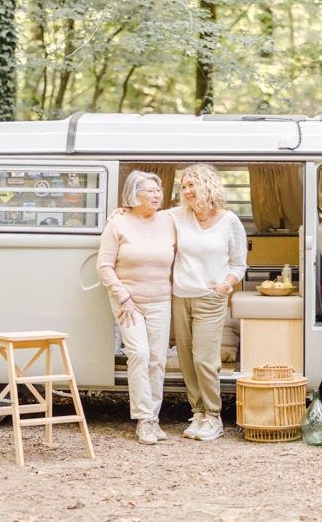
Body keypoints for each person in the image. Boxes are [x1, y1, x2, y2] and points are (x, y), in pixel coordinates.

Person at [96, 171, 176, 445]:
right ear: (134, 194)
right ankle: (144, 420)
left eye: (159, 191)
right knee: (139, 353)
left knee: (158, 359)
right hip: (127, 301)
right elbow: (104, 266)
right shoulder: (118, 223)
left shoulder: (169, 220)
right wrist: (123, 297)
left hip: (160, 300)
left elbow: (201, 209)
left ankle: (153, 418)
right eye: (151, 191)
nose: (157, 195)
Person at [170, 164, 247, 442]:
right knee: (187, 360)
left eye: (192, 184)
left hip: (211, 298)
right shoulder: (177, 216)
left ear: (208, 186)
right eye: (184, 186)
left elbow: (239, 263)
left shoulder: (230, 221)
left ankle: (214, 416)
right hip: (181, 296)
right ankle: (198, 412)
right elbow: (145, 220)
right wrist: (121, 213)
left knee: (204, 358)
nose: (187, 191)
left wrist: (226, 284)